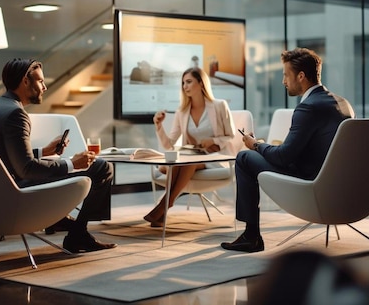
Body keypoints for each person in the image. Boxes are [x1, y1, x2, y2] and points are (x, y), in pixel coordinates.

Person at [0, 58, 116, 253]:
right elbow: (27, 169)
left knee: (85, 165)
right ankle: (78, 234)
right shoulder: (16, 114)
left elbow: (3, 156)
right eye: (40, 81)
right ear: (25, 81)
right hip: (14, 191)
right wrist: (72, 163)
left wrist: (45, 151)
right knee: (102, 168)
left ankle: (62, 222)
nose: (45, 87)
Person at [221, 48, 354, 253]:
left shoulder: (308, 107)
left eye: (285, 75)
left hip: (311, 181)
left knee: (244, 157)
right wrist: (267, 147)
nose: (283, 81)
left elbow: (283, 157)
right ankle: (250, 235)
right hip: (338, 184)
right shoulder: (343, 103)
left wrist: (256, 144)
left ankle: (251, 235)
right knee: (261, 151)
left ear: (301, 76)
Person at [147, 67, 235, 227]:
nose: (185, 86)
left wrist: (213, 140)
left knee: (185, 163)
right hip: (192, 157)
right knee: (183, 161)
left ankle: (164, 205)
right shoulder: (182, 112)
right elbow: (169, 144)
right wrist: (158, 126)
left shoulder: (219, 105)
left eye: (189, 82)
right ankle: (166, 206)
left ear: (201, 83)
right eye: (183, 83)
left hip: (215, 157)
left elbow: (231, 135)